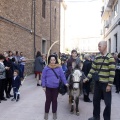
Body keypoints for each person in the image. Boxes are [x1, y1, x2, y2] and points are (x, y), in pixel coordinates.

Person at [83, 41, 115, 120]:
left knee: (107, 103)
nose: (98, 48)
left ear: (105, 46)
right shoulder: (97, 57)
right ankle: (96, 117)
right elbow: (93, 69)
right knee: (95, 101)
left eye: (99, 46)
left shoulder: (110, 58)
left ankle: (106, 118)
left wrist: (109, 85)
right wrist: (87, 78)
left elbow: (112, 72)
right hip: (97, 84)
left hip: (106, 84)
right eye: (98, 46)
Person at [41, 54, 68, 120]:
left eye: (54, 60)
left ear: (56, 60)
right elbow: (43, 77)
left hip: (56, 87)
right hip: (48, 87)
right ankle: (46, 114)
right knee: (48, 100)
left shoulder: (59, 68)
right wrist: (43, 86)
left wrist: (65, 83)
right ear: (49, 60)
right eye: (51, 60)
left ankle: (54, 114)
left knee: (54, 100)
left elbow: (62, 76)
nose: (52, 61)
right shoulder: (46, 68)